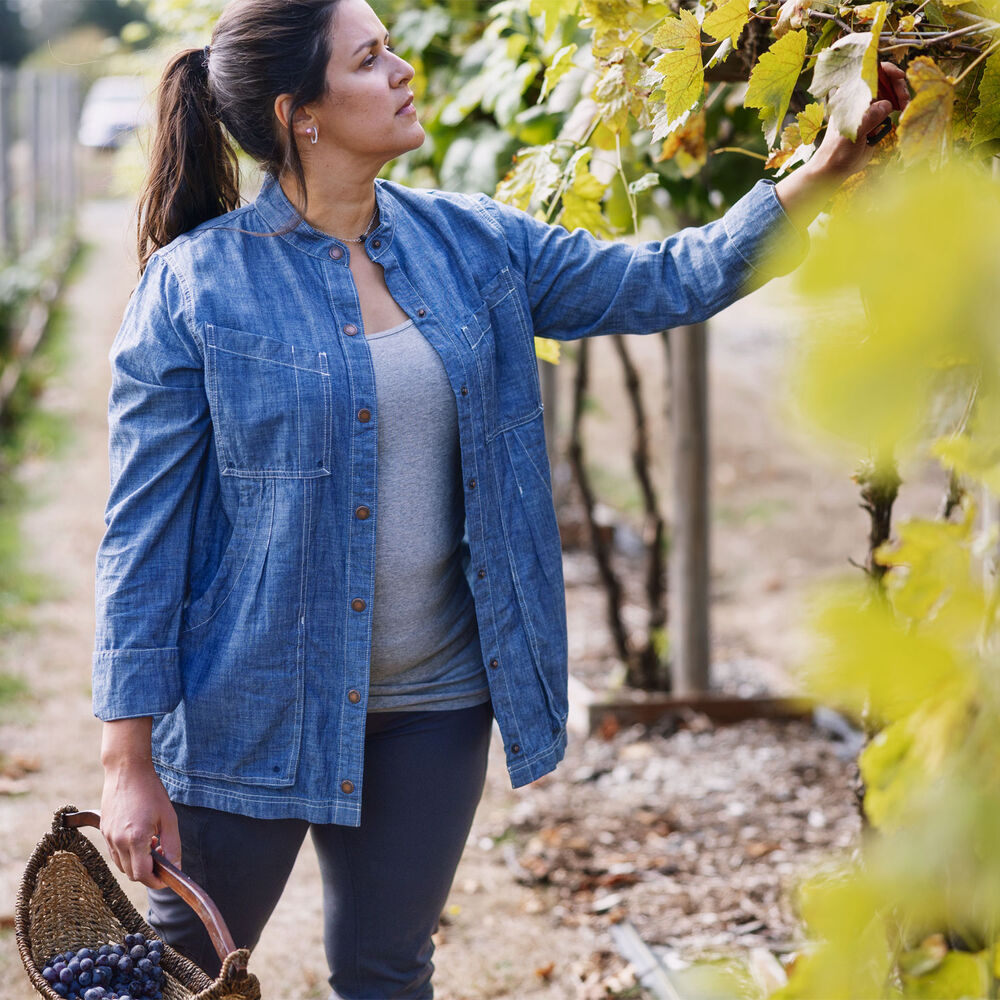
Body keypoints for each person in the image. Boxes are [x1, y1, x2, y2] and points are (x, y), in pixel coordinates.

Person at [92, 0, 910, 996]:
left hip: (436, 706)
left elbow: (666, 279)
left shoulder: (475, 245)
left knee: (388, 967)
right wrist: (126, 760)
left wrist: (822, 170)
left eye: (392, 45)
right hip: (247, 707)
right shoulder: (194, 289)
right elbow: (143, 533)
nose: (401, 69)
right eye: (369, 57)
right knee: (177, 971)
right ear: (299, 113)